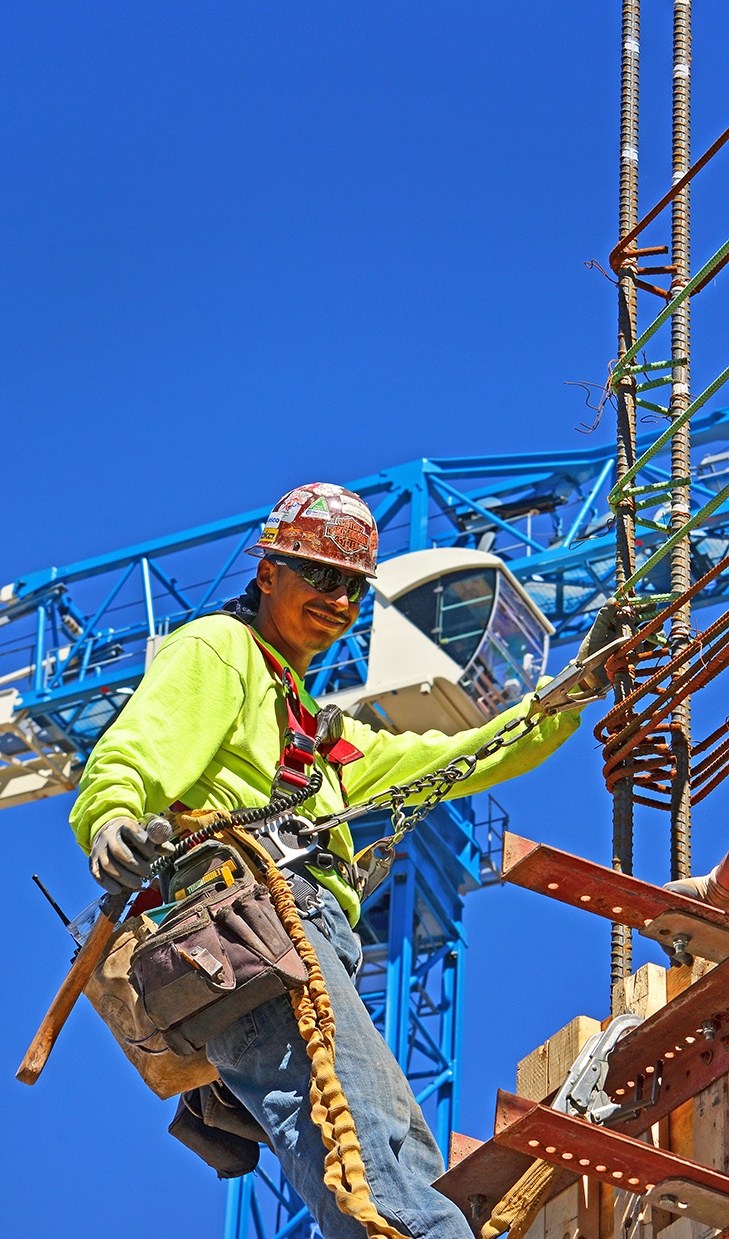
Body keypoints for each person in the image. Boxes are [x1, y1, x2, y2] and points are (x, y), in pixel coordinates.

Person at [70, 482, 611, 1239]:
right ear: (268, 575)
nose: (338, 599)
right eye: (320, 577)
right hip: (252, 938)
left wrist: (567, 696)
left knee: (406, 1151)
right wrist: (113, 820)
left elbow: (460, 753)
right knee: (371, 1172)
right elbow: (136, 749)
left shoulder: (323, 736)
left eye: (353, 587)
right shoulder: (219, 649)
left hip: (310, 944)